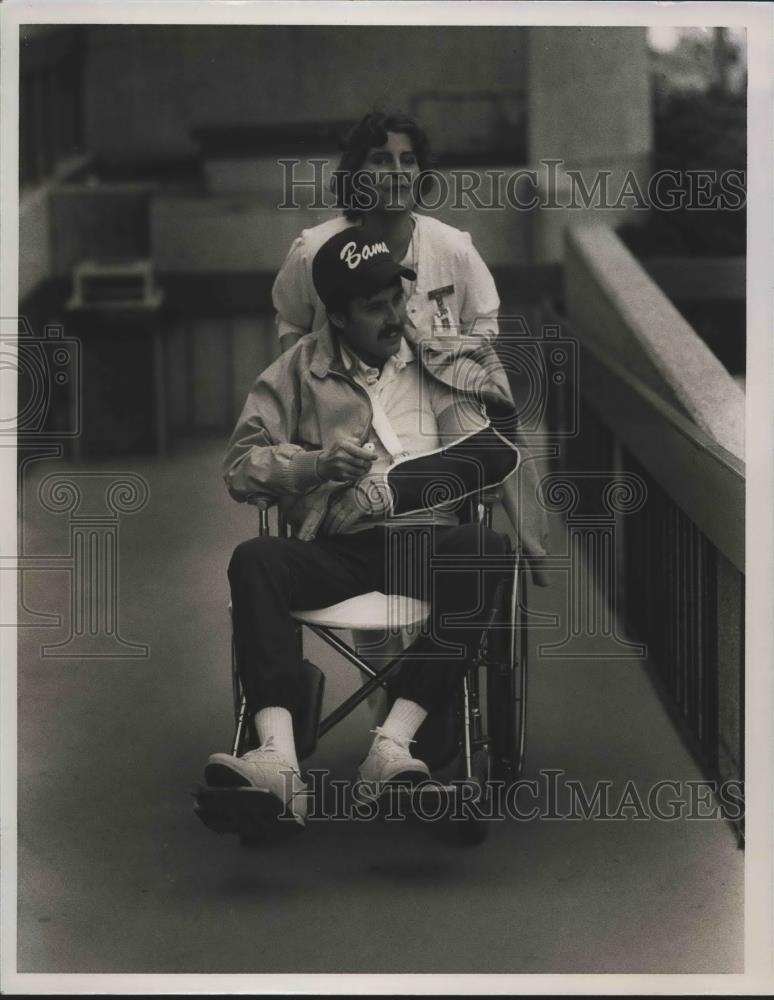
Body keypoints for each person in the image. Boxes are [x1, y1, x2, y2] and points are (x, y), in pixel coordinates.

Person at [204, 228, 522, 828]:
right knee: (255, 559)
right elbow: (240, 467)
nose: (395, 317)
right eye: (375, 308)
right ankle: (278, 759)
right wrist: (313, 464)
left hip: (422, 542)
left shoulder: (434, 354)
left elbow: (490, 433)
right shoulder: (296, 370)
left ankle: (392, 747)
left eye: (398, 300)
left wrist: (476, 385)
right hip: (337, 549)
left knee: (484, 550)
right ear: (339, 317)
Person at [272, 109, 500, 353]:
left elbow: (483, 323)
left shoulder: (453, 247)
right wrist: (304, 384)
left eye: (409, 160)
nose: (397, 171)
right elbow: (292, 322)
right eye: (381, 160)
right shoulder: (316, 250)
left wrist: (449, 366)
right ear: (355, 173)